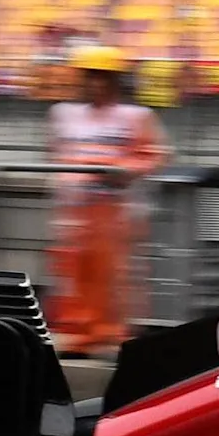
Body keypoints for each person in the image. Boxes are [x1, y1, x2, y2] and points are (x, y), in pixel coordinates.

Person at [45, 47, 168, 357]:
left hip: (113, 210)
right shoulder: (66, 115)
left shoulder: (135, 118)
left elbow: (154, 156)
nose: (93, 83)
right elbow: (58, 153)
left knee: (111, 274)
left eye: (100, 77)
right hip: (75, 209)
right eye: (88, 76)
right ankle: (77, 333)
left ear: (114, 81)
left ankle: (110, 334)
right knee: (74, 271)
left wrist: (123, 171)